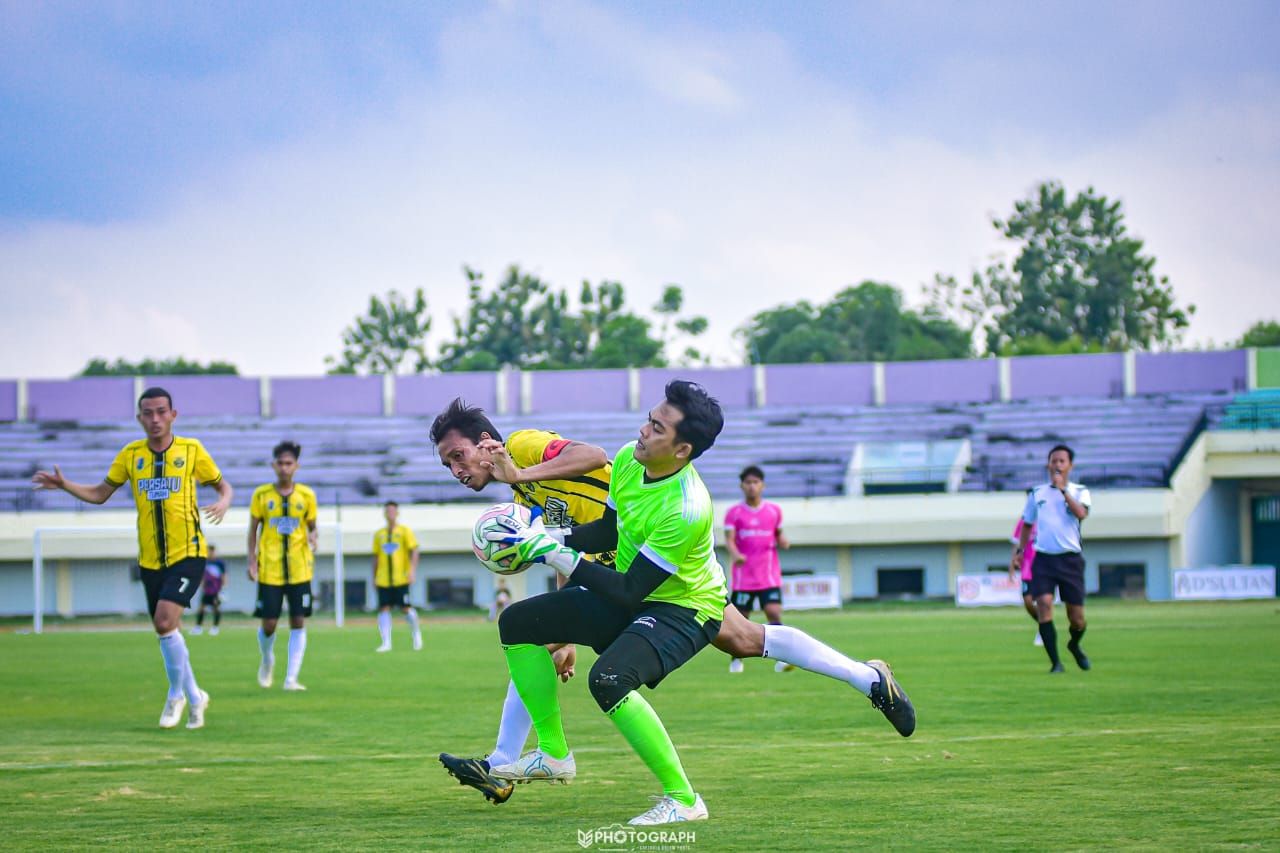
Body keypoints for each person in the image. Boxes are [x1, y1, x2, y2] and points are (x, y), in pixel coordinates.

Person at [434, 393, 914, 809]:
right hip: (620, 568)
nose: (457, 470)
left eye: (459, 455)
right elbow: (580, 542)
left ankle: (869, 677)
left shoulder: (523, 449)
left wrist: (522, 471)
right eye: (447, 464)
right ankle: (504, 762)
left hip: (668, 570)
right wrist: (565, 623)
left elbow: (590, 455)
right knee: (531, 632)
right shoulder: (522, 499)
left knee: (744, 639)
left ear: (486, 442)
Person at [31, 387, 232, 729]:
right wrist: (66, 485)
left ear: (173, 414)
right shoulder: (130, 455)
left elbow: (222, 486)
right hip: (151, 559)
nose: (155, 419)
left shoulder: (192, 450)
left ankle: (176, 696)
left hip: (189, 553)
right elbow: (99, 493)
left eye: (160, 412)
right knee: (168, 632)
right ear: (139, 418)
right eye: (147, 413)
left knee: (165, 622)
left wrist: (224, 501)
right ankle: (195, 695)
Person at [1015, 444, 1092, 673]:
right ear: (1048, 464)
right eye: (1053, 461)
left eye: (1062, 461)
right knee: (1044, 605)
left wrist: (1063, 491)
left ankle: (1074, 644)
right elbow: (1027, 524)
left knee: (1076, 618)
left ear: (1070, 466)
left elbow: (1081, 514)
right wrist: (1020, 552)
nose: (1057, 465)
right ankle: (1056, 663)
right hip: (1044, 559)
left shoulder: (1080, 491)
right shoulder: (1037, 493)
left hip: (1070, 560)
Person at [248, 441, 317, 691]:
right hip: (270, 569)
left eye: (289, 463)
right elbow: (253, 529)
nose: (285, 468)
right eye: (281, 463)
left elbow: (311, 527)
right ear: (273, 465)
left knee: (298, 621)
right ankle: (267, 659)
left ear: (296, 466)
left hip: (300, 569)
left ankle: (291, 678)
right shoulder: (262, 495)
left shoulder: (307, 496)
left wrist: (314, 537)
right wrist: (251, 560)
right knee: (269, 623)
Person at [724, 465, 793, 673]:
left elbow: (778, 533)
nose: (752, 487)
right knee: (740, 621)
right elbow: (729, 540)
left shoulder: (773, 511)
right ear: (742, 486)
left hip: (768, 576)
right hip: (744, 577)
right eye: (748, 483)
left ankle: (782, 659)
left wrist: (782, 540)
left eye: (755, 482)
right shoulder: (734, 513)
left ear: (762, 485)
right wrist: (735, 554)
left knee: (773, 613)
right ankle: (736, 660)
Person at [372, 500, 422, 652]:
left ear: (397, 513)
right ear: (384, 514)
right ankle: (386, 642)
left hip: (401, 578)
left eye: (393, 511)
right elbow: (375, 557)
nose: (390, 514)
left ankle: (416, 635)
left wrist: (412, 571)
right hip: (383, 579)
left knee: (406, 608)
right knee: (384, 609)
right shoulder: (379, 534)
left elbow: (414, 551)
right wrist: (374, 576)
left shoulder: (404, 531)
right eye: (388, 511)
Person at [1007, 518, 1041, 645]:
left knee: (1043, 601)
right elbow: (1016, 546)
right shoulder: (1024, 522)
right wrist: (1011, 568)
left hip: (1045, 567)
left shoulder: (1047, 518)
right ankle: (1044, 624)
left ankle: (1043, 630)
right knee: (1028, 602)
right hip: (1027, 568)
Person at [192, 544, 227, 636]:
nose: (210, 553)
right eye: (209, 551)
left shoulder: (219, 563)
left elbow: (224, 576)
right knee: (201, 608)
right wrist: (201, 585)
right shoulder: (205, 562)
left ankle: (215, 628)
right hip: (207, 590)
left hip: (216, 590)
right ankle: (198, 627)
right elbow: (203, 576)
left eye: (212, 551)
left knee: (216, 608)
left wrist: (222, 589)